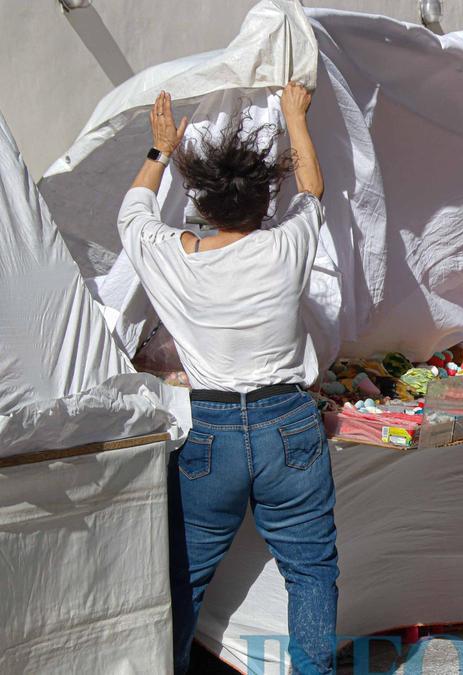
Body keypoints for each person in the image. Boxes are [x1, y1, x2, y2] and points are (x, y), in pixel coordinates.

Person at [117, 84, 338, 674]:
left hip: (210, 428)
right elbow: (312, 189)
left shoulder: (173, 255)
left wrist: (160, 151)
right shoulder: (286, 244)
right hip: (288, 423)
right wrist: (294, 117)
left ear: (202, 202)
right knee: (311, 570)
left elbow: (131, 213)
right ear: (264, 200)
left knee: (185, 577)